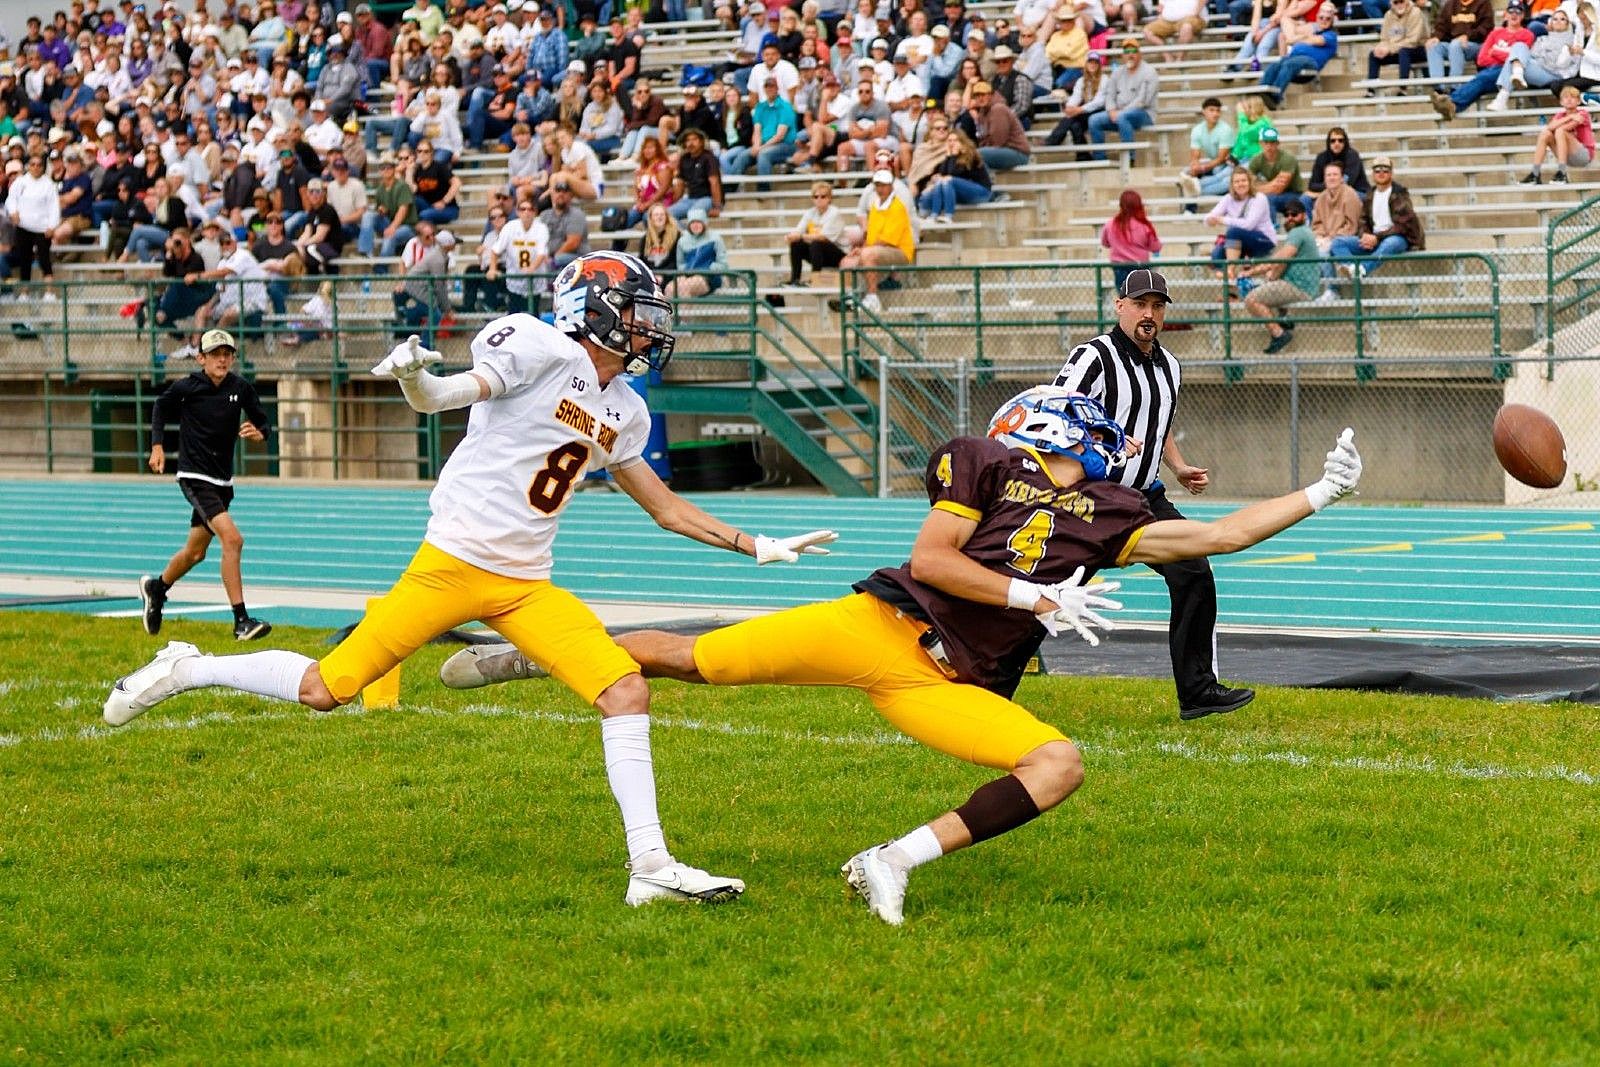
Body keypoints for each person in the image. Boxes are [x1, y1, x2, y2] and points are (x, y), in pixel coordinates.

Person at [435, 384, 1365, 925]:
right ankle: (538, 654)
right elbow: (932, 560)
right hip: (881, 624)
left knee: (1057, 761)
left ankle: (892, 859)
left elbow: (1223, 535)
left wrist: (1317, 492)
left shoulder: (1116, 518)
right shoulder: (987, 462)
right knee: (693, 662)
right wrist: (1032, 594)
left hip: (947, 679)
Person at [104, 251, 839, 909]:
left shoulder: (625, 407)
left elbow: (664, 505)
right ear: (598, 313)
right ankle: (191, 667)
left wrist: (757, 544)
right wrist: (417, 376)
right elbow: (449, 395)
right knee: (326, 690)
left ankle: (649, 862)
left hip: (527, 584)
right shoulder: (541, 347)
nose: (650, 331)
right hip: (452, 568)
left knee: (624, 687)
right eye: (639, 315)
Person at [1054, 270, 1258, 720]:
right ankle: (986, 669)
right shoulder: (1094, 357)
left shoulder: (1170, 366)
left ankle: (1198, 690)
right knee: (1048, 590)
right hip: (1092, 500)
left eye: (1158, 306)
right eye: (1141, 304)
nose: (1149, 314)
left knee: (1194, 573)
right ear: (1119, 305)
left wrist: (1179, 466)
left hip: (1146, 498)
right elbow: (1056, 415)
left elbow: (1156, 425)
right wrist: (1103, 439)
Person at [137, 329, 273, 642]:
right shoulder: (187, 386)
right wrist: (157, 446)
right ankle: (241, 621)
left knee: (195, 552)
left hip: (222, 482)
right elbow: (160, 406)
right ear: (202, 358)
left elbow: (264, 423)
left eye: (227, 354)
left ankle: (157, 588)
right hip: (195, 477)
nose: (222, 359)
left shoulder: (241, 388)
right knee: (233, 540)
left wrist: (261, 432)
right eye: (215, 354)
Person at [1237, 198, 1318, 353]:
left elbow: (1280, 259)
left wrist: (1250, 272)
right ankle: (1283, 319)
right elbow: (1281, 262)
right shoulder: (1301, 233)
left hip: (1298, 287)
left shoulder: (1298, 232)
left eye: (1294, 214)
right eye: (1287, 215)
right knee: (1268, 281)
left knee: (1251, 300)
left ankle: (1278, 333)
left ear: (1303, 216)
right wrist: (1271, 275)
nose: (1290, 218)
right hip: (1299, 285)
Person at [1432, 2, 1534, 118]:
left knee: (1482, 78)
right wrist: (1506, 55)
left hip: (1508, 73)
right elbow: (1481, 59)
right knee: (1480, 81)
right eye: (1511, 11)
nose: (1514, 15)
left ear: (1523, 15)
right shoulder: (1495, 33)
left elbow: (1520, 58)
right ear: (1505, 14)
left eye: (1518, 12)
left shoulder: (1527, 35)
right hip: (1492, 72)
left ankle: (1452, 102)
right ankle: (1453, 106)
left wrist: (1495, 52)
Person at [1327, 156, 1424, 277]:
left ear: (1391, 173)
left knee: (1390, 244)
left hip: (1399, 238)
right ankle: (1352, 268)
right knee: (1338, 243)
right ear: (1373, 174)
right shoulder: (1370, 195)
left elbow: (1403, 226)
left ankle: (1362, 269)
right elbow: (1363, 220)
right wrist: (1366, 235)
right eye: (1377, 170)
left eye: (1385, 170)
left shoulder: (1399, 194)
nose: (1381, 173)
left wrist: (1377, 237)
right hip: (1375, 239)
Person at [840, 168, 916, 313]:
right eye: (878, 185)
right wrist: (860, 249)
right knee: (846, 261)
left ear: (891, 186)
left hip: (900, 252)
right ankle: (851, 297)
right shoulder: (875, 206)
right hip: (880, 248)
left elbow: (887, 240)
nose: (880, 189)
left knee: (869, 254)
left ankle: (872, 297)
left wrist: (864, 250)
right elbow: (872, 237)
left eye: (883, 185)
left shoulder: (897, 207)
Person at [1488, 6, 1578, 108]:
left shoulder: (1574, 41)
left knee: (1512, 61)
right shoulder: (1543, 38)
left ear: (1567, 23)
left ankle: (1502, 98)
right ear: (1551, 23)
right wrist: (1545, 57)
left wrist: (1543, 57)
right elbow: (1533, 54)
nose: (1558, 21)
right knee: (1520, 46)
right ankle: (1516, 75)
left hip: (1555, 75)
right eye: (1555, 19)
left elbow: (1562, 65)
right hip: (1539, 69)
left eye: (1562, 19)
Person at [1088, 40, 1158, 159]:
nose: (1130, 55)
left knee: (1123, 117)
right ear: (1123, 55)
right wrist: (1111, 110)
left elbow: (1143, 101)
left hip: (1143, 114)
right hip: (1118, 113)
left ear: (1140, 54)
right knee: (1094, 120)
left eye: (1134, 51)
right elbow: (1110, 95)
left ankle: (1129, 158)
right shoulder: (1117, 72)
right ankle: (1099, 158)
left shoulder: (1149, 72)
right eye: (1127, 52)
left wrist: (1122, 112)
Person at [1258, 4, 1339, 107]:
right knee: (1276, 64)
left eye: (1327, 18)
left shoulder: (1331, 35)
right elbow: (1288, 39)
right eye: (1321, 17)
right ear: (1317, 18)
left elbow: (1315, 41)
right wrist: (1298, 36)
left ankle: (1275, 96)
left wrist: (1299, 36)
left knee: (1290, 63)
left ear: (1332, 20)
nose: (1324, 20)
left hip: (1310, 63)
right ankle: (1263, 90)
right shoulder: (1313, 32)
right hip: (1294, 62)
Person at [1206, 167, 1277, 278]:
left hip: (1263, 240)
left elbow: (1249, 225)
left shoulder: (1259, 198)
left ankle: (1230, 269)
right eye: (1237, 181)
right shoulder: (1228, 198)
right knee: (1218, 251)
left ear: (1249, 182)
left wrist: (1223, 220)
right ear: (1232, 184)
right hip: (1242, 241)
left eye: (1243, 180)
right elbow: (1210, 217)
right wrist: (1210, 220)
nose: (1240, 184)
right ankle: (1226, 279)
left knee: (1233, 232)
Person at [4, 153, 57, 292]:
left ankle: (49, 292)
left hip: (42, 228)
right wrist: (13, 211)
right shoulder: (20, 182)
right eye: (33, 164)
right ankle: (24, 293)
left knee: (45, 261)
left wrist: (52, 225)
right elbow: (11, 200)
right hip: (24, 227)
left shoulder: (48, 184)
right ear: (29, 166)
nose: (35, 167)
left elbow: (54, 206)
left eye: (39, 165)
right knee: (24, 261)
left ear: (42, 167)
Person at [487, 196, 551, 313]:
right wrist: (492, 268)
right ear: (517, 212)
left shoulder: (541, 228)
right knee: (514, 316)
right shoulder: (510, 227)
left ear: (535, 212)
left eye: (530, 209)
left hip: (535, 280)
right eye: (523, 209)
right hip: (515, 279)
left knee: (533, 316)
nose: (526, 212)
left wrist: (532, 268)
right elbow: (496, 250)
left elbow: (541, 253)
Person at [915, 128, 993, 223]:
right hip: (962, 193)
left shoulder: (970, 155)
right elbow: (943, 174)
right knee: (937, 184)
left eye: (955, 140)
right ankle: (932, 215)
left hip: (982, 192)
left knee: (947, 180)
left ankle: (948, 216)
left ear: (962, 142)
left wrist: (951, 156)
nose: (952, 143)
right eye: (949, 141)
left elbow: (953, 174)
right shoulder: (950, 157)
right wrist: (948, 156)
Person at [1523, 82, 1595, 182]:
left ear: (1578, 101)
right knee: (1545, 134)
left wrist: (1561, 122)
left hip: (1583, 156)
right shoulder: (1561, 115)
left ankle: (1562, 173)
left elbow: (1566, 128)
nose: (1569, 99)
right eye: (1565, 97)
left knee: (1560, 131)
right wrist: (1569, 116)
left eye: (1572, 97)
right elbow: (1549, 127)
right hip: (1566, 156)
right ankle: (1535, 174)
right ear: (1561, 102)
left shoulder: (1583, 113)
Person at [1310, 160, 1361, 298]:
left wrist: (1331, 238)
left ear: (1341, 177)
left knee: (1324, 252)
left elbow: (1352, 226)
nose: (1332, 178)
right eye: (1328, 175)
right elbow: (1316, 223)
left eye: (1335, 174)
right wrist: (1320, 236)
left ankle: (1332, 289)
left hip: (1347, 239)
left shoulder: (1350, 195)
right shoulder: (1321, 198)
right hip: (1326, 238)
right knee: (1314, 246)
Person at [955, 79, 1032, 170]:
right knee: (973, 155)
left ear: (991, 95)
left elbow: (999, 141)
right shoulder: (982, 113)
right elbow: (982, 138)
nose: (980, 98)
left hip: (1017, 152)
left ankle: (985, 182)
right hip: (1000, 151)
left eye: (983, 95)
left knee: (977, 154)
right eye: (977, 95)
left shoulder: (998, 109)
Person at [786, 180, 849, 284]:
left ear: (829, 198)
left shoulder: (834, 213)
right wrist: (790, 236)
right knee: (796, 244)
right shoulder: (810, 212)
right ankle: (795, 279)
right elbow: (798, 230)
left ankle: (815, 279)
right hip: (817, 253)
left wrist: (800, 236)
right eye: (816, 197)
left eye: (823, 196)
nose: (819, 199)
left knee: (817, 243)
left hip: (838, 253)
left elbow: (823, 237)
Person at [1044, 51, 1104, 159]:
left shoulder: (1104, 79)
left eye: (1096, 62)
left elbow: (1099, 102)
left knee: (1072, 119)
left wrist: (1079, 109)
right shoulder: (1081, 81)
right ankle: (1083, 155)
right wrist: (1070, 108)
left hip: (1099, 111)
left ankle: (1053, 140)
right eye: (1090, 62)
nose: (1093, 64)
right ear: (1086, 64)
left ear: (1099, 65)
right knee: (1074, 124)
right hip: (1086, 111)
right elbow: (1076, 97)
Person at [1426, 0, 1496, 91]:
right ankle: (1438, 88)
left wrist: (1468, 35)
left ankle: (1454, 87)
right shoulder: (1450, 4)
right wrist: (1436, 37)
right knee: (1433, 46)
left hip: (1475, 45)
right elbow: (1441, 25)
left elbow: (1486, 27)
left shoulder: (1483, 3)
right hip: (1454, 45)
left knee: (1455, 45)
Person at [1176, 97, 1236, 202]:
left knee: (1214, 172)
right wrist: (1195, 166)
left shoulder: (1225, 130)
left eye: (1218, 111)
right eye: (1211, 110)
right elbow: (1195, 155)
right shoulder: (1197, 130)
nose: (1215, 114)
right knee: (1187, 172)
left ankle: (1197, 191)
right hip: (1213, 162)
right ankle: (1189, 209)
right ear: (1204, 111)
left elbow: (1221, 159)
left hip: (1229, 163)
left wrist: (1203, 168)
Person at [1100, 189, 1162, 290]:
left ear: (1121, 205)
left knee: (1124, 299)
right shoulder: (1144, 225)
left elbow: (1105, 243)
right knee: (1140, 299)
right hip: (1140, 267)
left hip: (1119, 267)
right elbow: (1155, 247)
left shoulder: (1110, 224)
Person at [665, 207, 729, 299]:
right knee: (670, 288)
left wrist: (707, 268)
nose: (696, 225)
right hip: (688, 275)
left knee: (685, 287)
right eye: (693, 223)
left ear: (704, 223)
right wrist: (686, 271)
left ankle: (685, 313)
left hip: (709, 277)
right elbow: (680, 264)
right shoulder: (683, 241)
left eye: (699, 222)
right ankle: (674, 313)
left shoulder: (715, 238)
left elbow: (723, 264)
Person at [1366, 0, 1428, 90]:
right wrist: (1381, 47)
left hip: (1417, 49)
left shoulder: (1416, 12)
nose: (1399, 5)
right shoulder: (1388, 15)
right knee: (1374, 54)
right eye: (1396, 2)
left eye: (1401, 1)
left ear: (1406, 2)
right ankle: (1371, 90)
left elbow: (1413, 40)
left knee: (1404, 51)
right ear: (1392, 4)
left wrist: (1390, 49)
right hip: (1396, 50)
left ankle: (1403, 88)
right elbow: (1384, 38)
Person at [1248, 127, 1306, 220]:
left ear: (1278, 143)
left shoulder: (1288, 158)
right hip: (1274, 194)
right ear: (1261, 143)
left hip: (1294, 193)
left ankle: (1273, 228)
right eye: (1266, 142)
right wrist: (1270, 185)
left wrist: (1257, 187)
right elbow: (1248, 185)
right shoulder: (1256, 160)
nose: (1269, 146)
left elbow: (1278, 188)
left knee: (1267, 198)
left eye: (1272, 142)